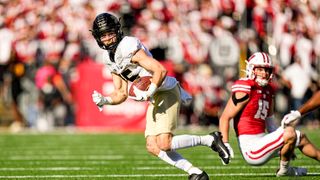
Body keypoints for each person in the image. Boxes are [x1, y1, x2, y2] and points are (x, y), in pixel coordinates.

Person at [90, 12, 231, 180]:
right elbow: (120, 92)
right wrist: (105, 100)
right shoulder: (108, 57)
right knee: (152, 146)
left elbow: (160, 70)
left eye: (110, 33)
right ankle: (195, 173)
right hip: (154, 95)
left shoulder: (127, 46)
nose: (107, 39)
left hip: (164, 90)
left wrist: (149, 90)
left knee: (165, 143)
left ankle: (210, 140)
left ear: (118, 31)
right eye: (103, 35)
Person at [218, 52, 320, 177]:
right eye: (260, 69)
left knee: (300, 137)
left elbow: (270, 122)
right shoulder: (245, 87)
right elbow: (225, 117)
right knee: (289, 133)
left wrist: (286, 142)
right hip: (251, 149)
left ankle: (289, 168)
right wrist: (225, 144)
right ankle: (285, 171)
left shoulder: (268, 89)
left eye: (267, 70)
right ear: (251, 69)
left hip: (263, 140)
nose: (264, 73)